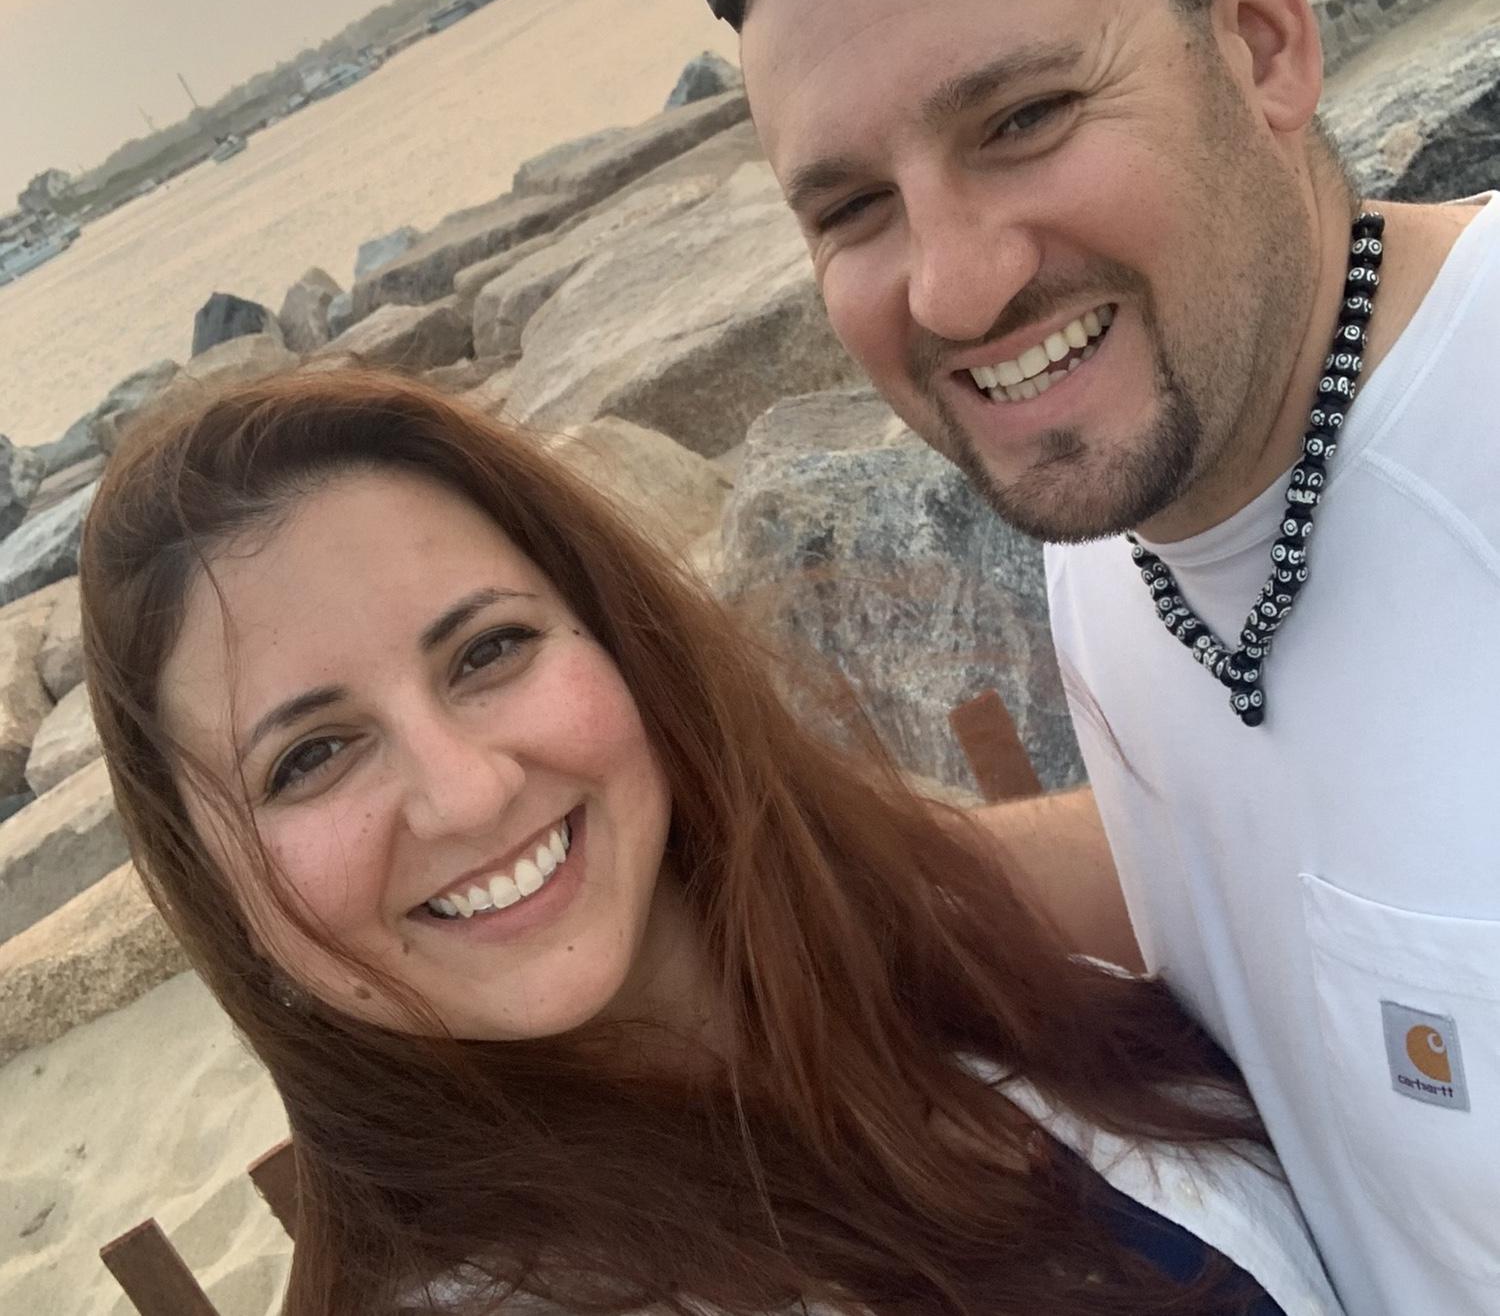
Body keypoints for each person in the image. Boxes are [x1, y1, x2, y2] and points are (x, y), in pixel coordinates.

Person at [698, 0, 1500, 1313]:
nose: (956, 286)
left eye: (1023, 118)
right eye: (854, 208)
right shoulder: (1117, 547)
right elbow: (1269, 876)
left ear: (1261, 40)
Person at [80, 369, 1343, 1316]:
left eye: (488, 650)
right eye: (311, 757)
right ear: (220, 889)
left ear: (616, 638)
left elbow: (1298, 871)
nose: (463, 794)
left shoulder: (918, 916)